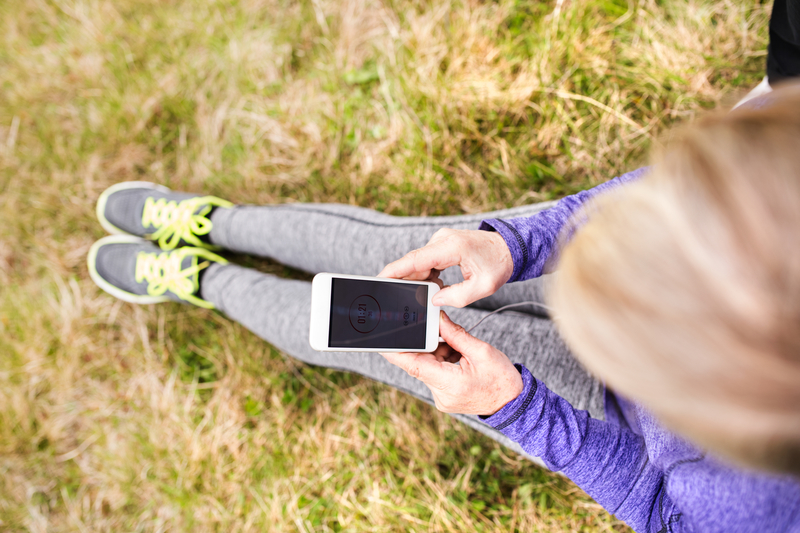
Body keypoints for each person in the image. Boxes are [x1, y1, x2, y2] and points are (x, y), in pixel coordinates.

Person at [87, 83, 800, 531]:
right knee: (385, 256)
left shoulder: (761, 506)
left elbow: (663, 510)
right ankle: (218, 224)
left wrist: (516, 407)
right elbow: (680, 184)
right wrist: (519, 241)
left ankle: (206, 281)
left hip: (595, 410)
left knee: (363, 333)